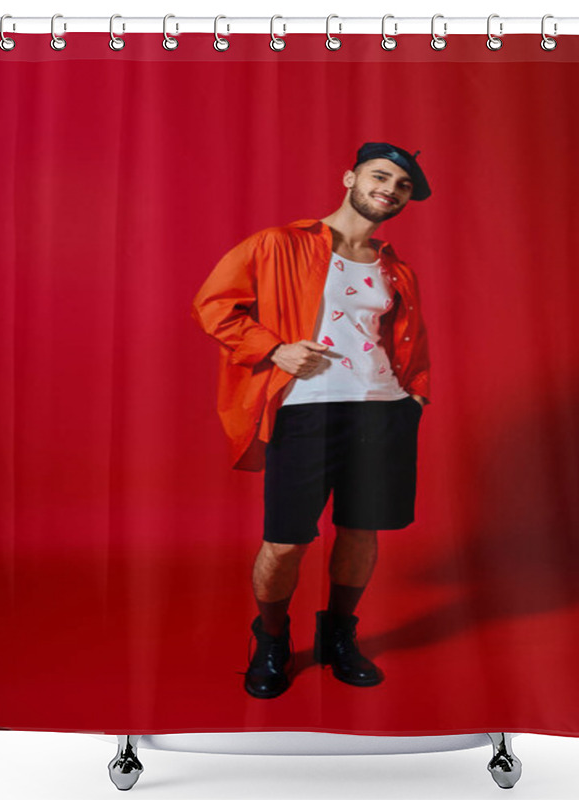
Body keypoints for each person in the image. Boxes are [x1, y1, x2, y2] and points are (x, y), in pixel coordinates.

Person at [191, 142, 432, 699]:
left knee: (360, 530)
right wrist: (273, 350)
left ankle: (340, 636)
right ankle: (272, 638)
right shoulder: (279, 244)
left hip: (383, 409)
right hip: (306, 409)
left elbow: (412, 343)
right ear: (350, 176)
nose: (390, 190)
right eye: (380, 176)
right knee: (286, 541)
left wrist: (414, 398)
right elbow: (214, 304)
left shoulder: (396, 268)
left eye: (401, 186)